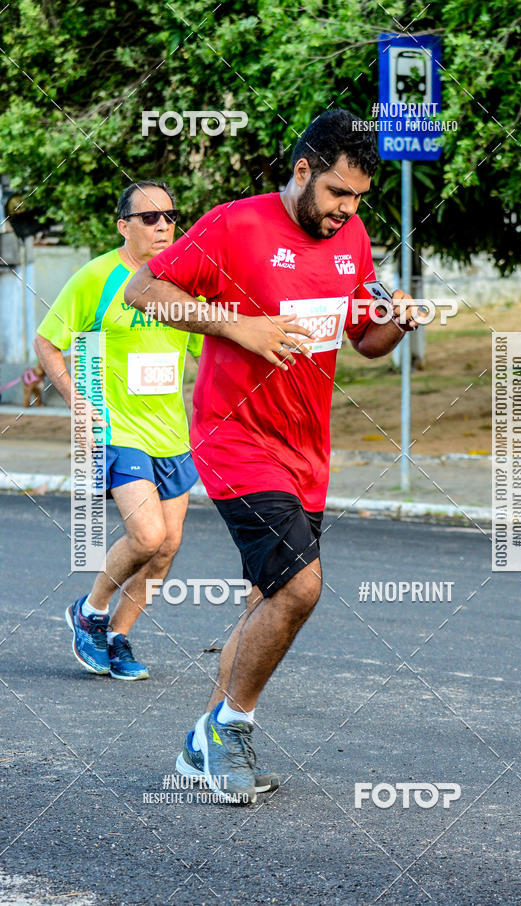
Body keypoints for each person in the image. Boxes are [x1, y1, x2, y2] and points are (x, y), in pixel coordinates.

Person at [125, 109, 420, 803]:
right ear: (302, 172)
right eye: (337, 194)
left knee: (267, 596)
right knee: (300, 587)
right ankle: (231, 727)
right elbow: (144, 290)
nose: (346, 210)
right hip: (235, 438)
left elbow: (363, 340)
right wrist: (237, 324)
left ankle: (206, 740)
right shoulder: (237, 224)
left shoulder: (350, 237)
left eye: (357, 200)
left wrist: (395, 321)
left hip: (305, 450)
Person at [34, 180, 206, 680]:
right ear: (123, 226)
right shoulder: (96, 277)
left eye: (170, 217)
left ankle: (119, 634)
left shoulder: (183, 282)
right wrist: (77, 401)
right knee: (147, 535)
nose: (162, 226)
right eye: (149, 218)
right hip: (116, 430)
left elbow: (206, 352)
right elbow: (48, 342)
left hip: (172, 435)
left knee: (169, 546)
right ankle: (89, 610)